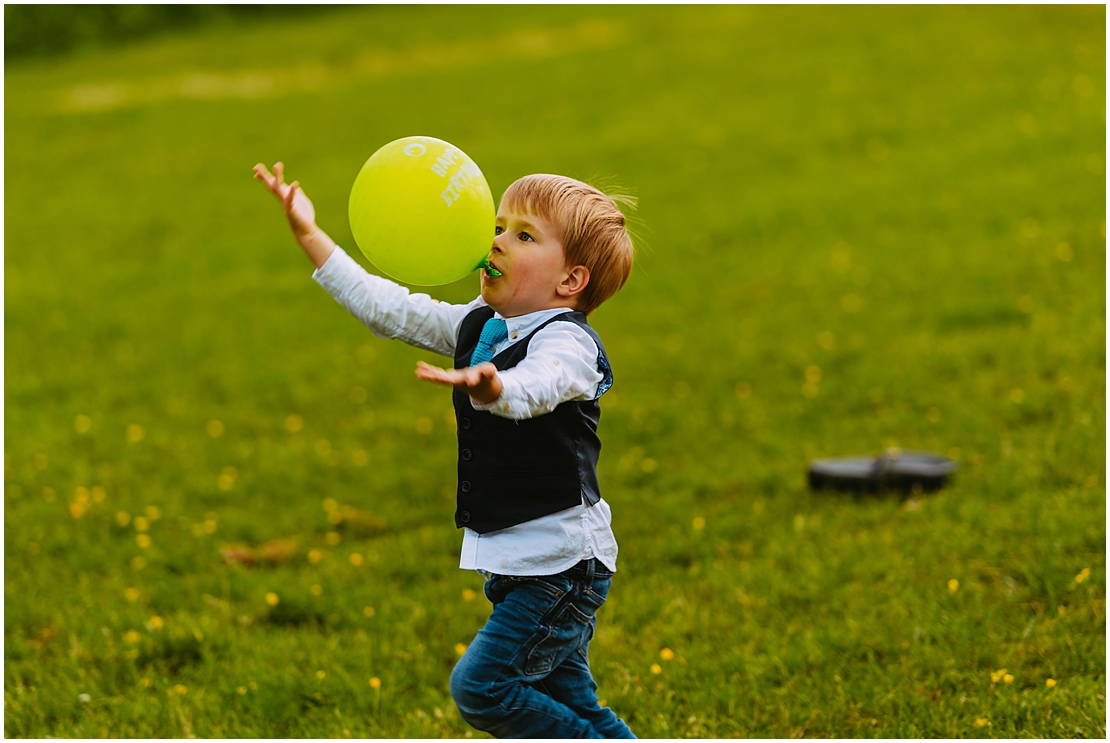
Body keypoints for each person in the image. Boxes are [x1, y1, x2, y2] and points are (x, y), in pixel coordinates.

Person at [254, 161, 637, 739]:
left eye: (523, 235)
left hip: (561, 568)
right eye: (499, 225)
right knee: (572, 701)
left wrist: (494, 385)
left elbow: (543, 383)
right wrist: (312, 236)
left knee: (484, 690)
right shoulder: (481, 324)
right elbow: (392, 309)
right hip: (524, 563)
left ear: (570, 281)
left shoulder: (568, 341)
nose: (497, 241)